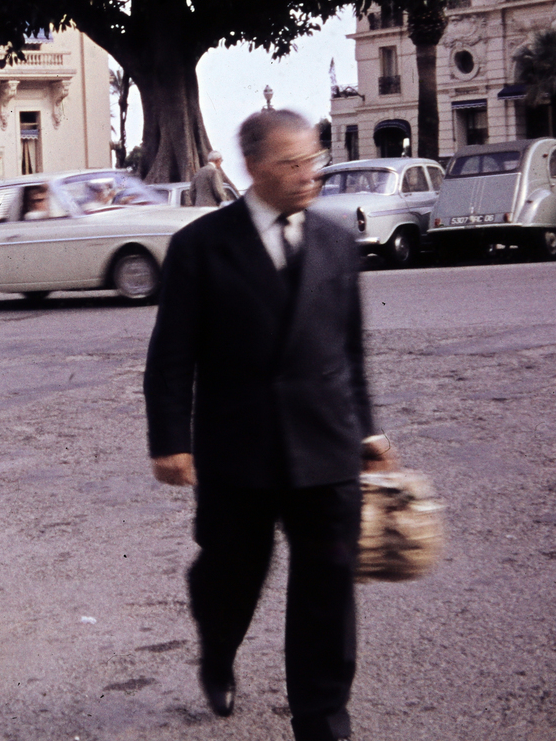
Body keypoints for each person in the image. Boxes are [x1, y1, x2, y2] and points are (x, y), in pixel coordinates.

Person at [143, 109, 398, 741]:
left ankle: (322, 719)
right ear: (254, 168)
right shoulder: (201, 247)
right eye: (291, 163)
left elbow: (350, 352)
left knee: (328, 590)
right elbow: (171, 354)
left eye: (313, 158)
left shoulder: (337, 241)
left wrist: (366, 429)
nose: (309, 173)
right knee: (231, 577)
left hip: (325, 448)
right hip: (238, 452)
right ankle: (218, 651)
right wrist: (170, 441)